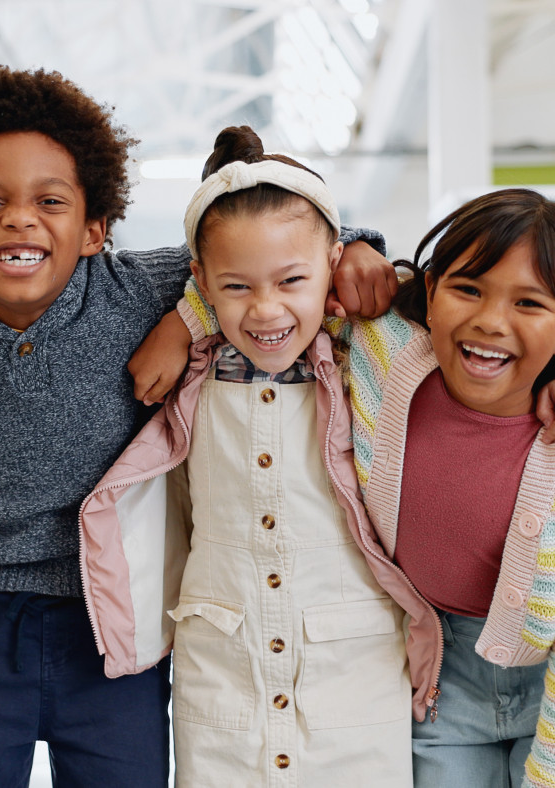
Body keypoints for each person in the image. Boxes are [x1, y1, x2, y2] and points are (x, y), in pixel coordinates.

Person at [0, 66, 397, 787]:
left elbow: (265, 239)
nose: (19, 219)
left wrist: (358, 243)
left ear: (93, 229)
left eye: (49, 201)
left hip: (111, 616)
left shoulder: (136, 288)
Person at [173, 187, 555, 787]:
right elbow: (258, 281)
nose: (489, 321)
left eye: (528, 303)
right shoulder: (387, 359)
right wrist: (181, 324)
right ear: (429, 290)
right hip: (442, 678)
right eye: (467, 289)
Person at [81, 126, 413, 786]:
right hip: (221, 678)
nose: (265, 309)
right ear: (200, 281)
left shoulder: (368, 354)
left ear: (333, 265)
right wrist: (188, 320)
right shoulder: (191, 375)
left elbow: (480, 343)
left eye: (292, 279)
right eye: (235, 289)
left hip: (356, 678)